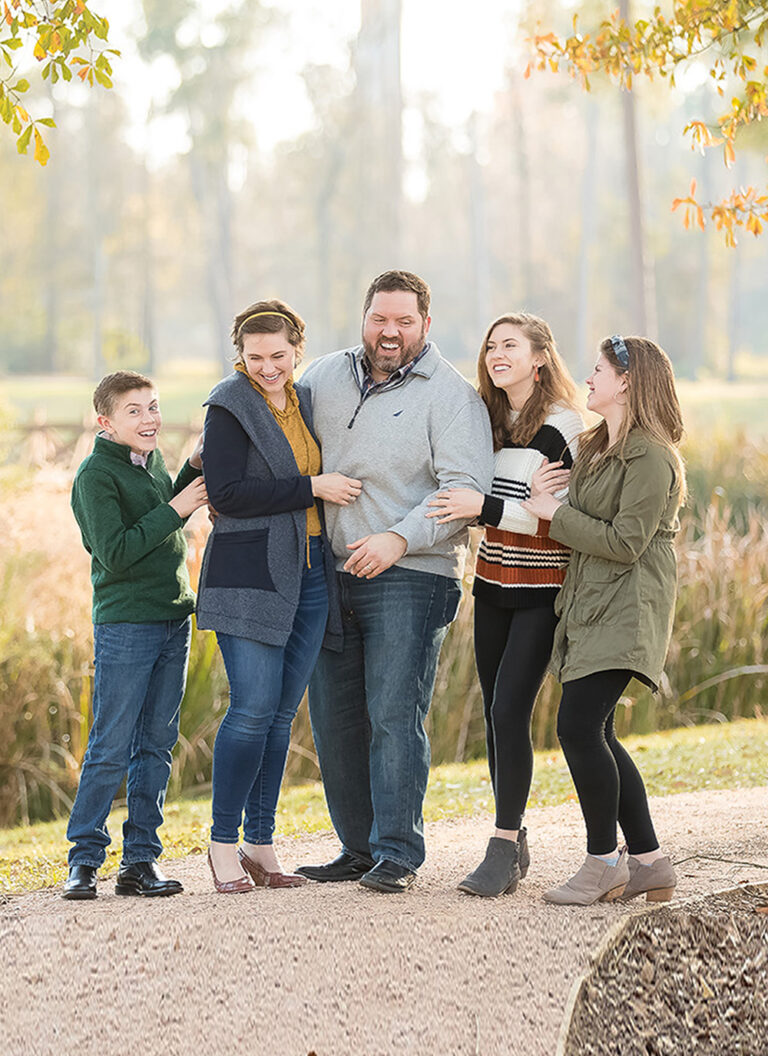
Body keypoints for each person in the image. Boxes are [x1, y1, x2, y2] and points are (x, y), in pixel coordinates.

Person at [295, 269, 494, 893]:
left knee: (391, 712)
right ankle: (357, 849)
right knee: (334, 719)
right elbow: (272, 424)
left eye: (404, 321)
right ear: (364, 317)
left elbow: (465, 491)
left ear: (425, 325)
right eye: (380, 318)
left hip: (413, 573)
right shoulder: (323, 377)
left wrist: (397, 538)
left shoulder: (452, 397)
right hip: (331, 572)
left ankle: (397, 852)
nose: (390, 332)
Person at [196, 300, 361, 894]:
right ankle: (220, 845)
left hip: (311, 571)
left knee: (281, 714)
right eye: (255, 356)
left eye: (279, 356)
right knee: (251, 708)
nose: (268, 367)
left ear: (297, 351)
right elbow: (229, 492)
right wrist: (312, 487)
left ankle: (260, 845)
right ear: (239, 354)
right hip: (249, 574)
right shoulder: (229, 404)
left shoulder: (304, 401)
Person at [522, 336, 684, 906]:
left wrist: (555, 514)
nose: (587, 380)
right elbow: (571, 514)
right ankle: (648, 862)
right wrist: (543, 496)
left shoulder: (652, 456)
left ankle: (602, 861)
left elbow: (626, 542)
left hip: (628, 607)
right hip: (589, 605)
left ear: (627, 382)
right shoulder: (595, 447)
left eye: (597, 371)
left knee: (577, 727)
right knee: (599, 732)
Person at [427, 313, 585, 897]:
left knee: (510, 709)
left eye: (510, 346)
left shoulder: (564, 427)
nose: (496, 354)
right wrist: (485, 506)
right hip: (491, 584)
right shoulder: (487, 420)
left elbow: (554, 521)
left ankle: (499, 846)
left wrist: (483, 506)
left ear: (539, 357)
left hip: (543, 589)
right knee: (495, 714)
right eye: (491, 345)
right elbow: (501, 501)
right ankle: (513, 837)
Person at [64, 371, 208, 900]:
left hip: (173, 616)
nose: (149, 419)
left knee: (156, 744)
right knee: (111, 742)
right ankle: (84, 860)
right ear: (105, 421)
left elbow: (158, 516)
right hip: (126, 623)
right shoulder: (95, 476)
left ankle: (140, 862)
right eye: (134, 411)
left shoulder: (149, 463)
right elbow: (118, 551)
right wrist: (179, 507)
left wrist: (187, 473)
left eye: (153, 407)